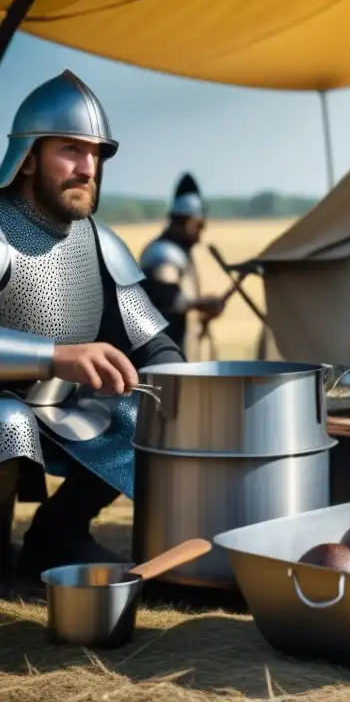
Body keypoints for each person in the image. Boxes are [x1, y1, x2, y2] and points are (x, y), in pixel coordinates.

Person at [0, 70, 184, 579]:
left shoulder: (99, 242)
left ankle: (56, 535)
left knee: (146, 411)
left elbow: (154, 342)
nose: (87, 167)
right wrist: (55, 355)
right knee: (6, 422)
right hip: (5, 407)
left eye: (95, 153)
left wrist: (181, 383)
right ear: (29, 156)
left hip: (57, 406)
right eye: (70, 150)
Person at [138, 174, 223, 359]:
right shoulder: (164, 255)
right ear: (187, 223)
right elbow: (167, 297)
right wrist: (202, 304)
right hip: (160, 355)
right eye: (199, 225)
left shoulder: (178, 253)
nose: (201, 232)